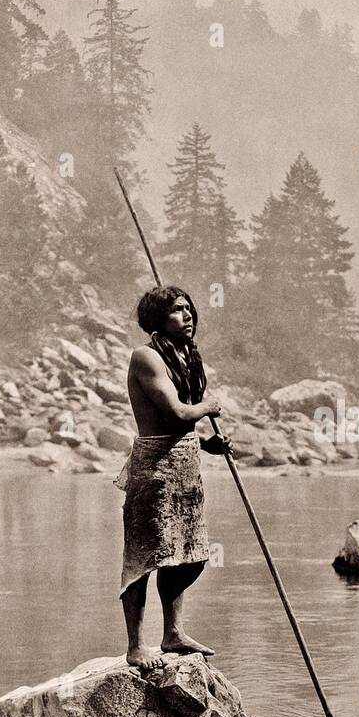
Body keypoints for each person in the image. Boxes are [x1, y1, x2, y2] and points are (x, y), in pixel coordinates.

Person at [116, 285, 230, 671]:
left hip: (185, 467)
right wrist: (208, 407)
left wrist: (209, 445)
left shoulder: (186, 357)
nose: (188, 316)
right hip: (153, 470)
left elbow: (184, 426)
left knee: (186, 555)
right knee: (144, 556)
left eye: (189, 309)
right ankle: (135, 646)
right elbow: (176, 413)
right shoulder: (146, 357)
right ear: (156, 321)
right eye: (177, 311)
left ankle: (173, 633)